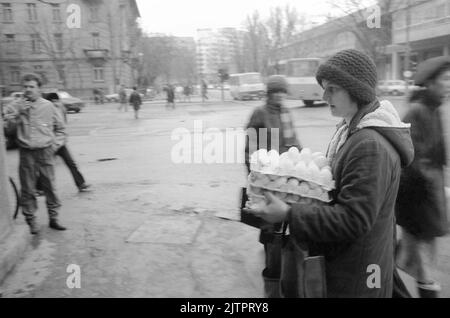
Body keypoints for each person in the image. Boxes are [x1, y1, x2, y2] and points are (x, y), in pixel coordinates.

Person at [245, 49, 414, 297]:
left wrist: (291, 213)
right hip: (359, 265)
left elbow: (353, 220)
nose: (324, 96)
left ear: (355, 89)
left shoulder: (369, 145)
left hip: (357, 275)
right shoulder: (353, 130)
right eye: (324, 88)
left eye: (332, 88)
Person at [395, 56, 450, 298]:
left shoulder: (433, 109)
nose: (449, 84)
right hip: (420, 205)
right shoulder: (417, 112)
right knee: (425, 268)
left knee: (416, 260)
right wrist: (433, 188)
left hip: (429, 201)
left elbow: (435, 158)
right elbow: (410, 161)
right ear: (429, 83)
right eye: (445, 79)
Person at [245, 75, 302, 298]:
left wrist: (300, 165)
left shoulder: (286, 113)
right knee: (271, 232)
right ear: (269, 93)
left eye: (282, 91)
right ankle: (271, 290)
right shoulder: (260, 113)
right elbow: (250, 146)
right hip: (266, 177)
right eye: (276, 91)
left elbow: (294, 143)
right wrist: (255, 176)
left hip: (285, 178)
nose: (280, 95)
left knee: (282, 225)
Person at [4, 73, 67, 234]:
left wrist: (54, 147)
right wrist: (19, 115)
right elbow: (7, 130)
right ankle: (31, 220)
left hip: (46, 151)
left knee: (50, 186)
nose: (28, 90)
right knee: (28, 188)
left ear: (39, 88)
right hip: (27, 153)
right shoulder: (14, 106)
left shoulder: (48, 106)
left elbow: (60, 130)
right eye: (25, 87)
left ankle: (54, 217)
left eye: (31, 87)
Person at [36, 93, 91, 193]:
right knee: (45, 166)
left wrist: (61, 139)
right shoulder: (46, 112)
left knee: (71, 163)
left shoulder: (61, 110)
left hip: (60, 143)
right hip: (50, 144)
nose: (55, 103)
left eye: (56, 101)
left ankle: (81, 184)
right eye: (52, 102)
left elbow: (62, 127)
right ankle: (39, 188)